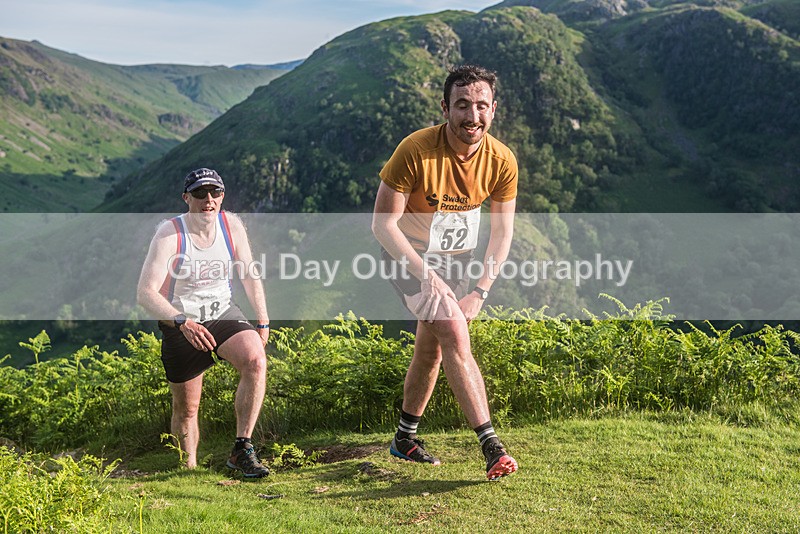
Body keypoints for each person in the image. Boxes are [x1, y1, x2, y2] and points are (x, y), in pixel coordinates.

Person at [372, 64, 519, 480]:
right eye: (462, 106)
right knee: (454, 331)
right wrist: (425, 275)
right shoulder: (415, 149)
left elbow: (502, 233)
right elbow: (382, 225)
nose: (472, 116)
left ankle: (404, 438)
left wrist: (481, 289)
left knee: (431, 347)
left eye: (481, 106)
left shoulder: (502, 160)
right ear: (445, 107)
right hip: (406, 255)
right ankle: (492, 447)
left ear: (494, 109)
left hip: (457, 260)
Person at [137, 168, 271, 478]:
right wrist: (181, 322)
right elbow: (145, 292)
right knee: (187, 409)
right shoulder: (170, 234)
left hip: (223, 313)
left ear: (222, 196)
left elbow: (249, 273)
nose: (208, 200)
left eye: (215, 193)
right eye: (199, 193)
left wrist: (262, 320)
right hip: (180, 321)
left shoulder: (231, 225)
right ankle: (188, 470)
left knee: (255, 360)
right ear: (187, 198)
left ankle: (242, 449)